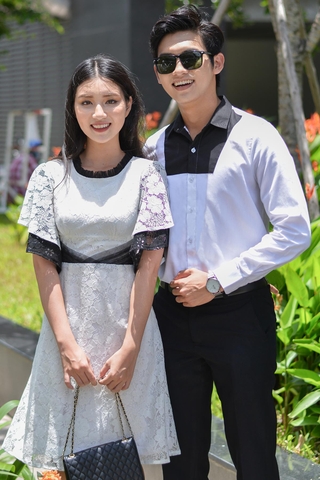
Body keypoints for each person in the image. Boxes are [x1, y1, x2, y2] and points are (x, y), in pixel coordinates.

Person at [144, 5, 311, 480]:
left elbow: (295, 228)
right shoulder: (154, 148)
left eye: (190, 59)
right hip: (172, 319)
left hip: (240, 316)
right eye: (165, 63)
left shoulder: (256, 137)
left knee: (254, 455)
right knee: (180, 461)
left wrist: (217, 281)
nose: (178, 70)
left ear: (216, 63)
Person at [3, 54, 180, 479]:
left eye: (110, 101)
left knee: (133, 462)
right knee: (61, 462)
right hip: (67, 333)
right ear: (72, 107)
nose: (99, 113)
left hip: (128, 332)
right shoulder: (49, 176)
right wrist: (66, 345)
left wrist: (130, 347)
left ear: (129, 104)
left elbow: (149, 266)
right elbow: (44, 266)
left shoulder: (146, 175)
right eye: (86, 102)